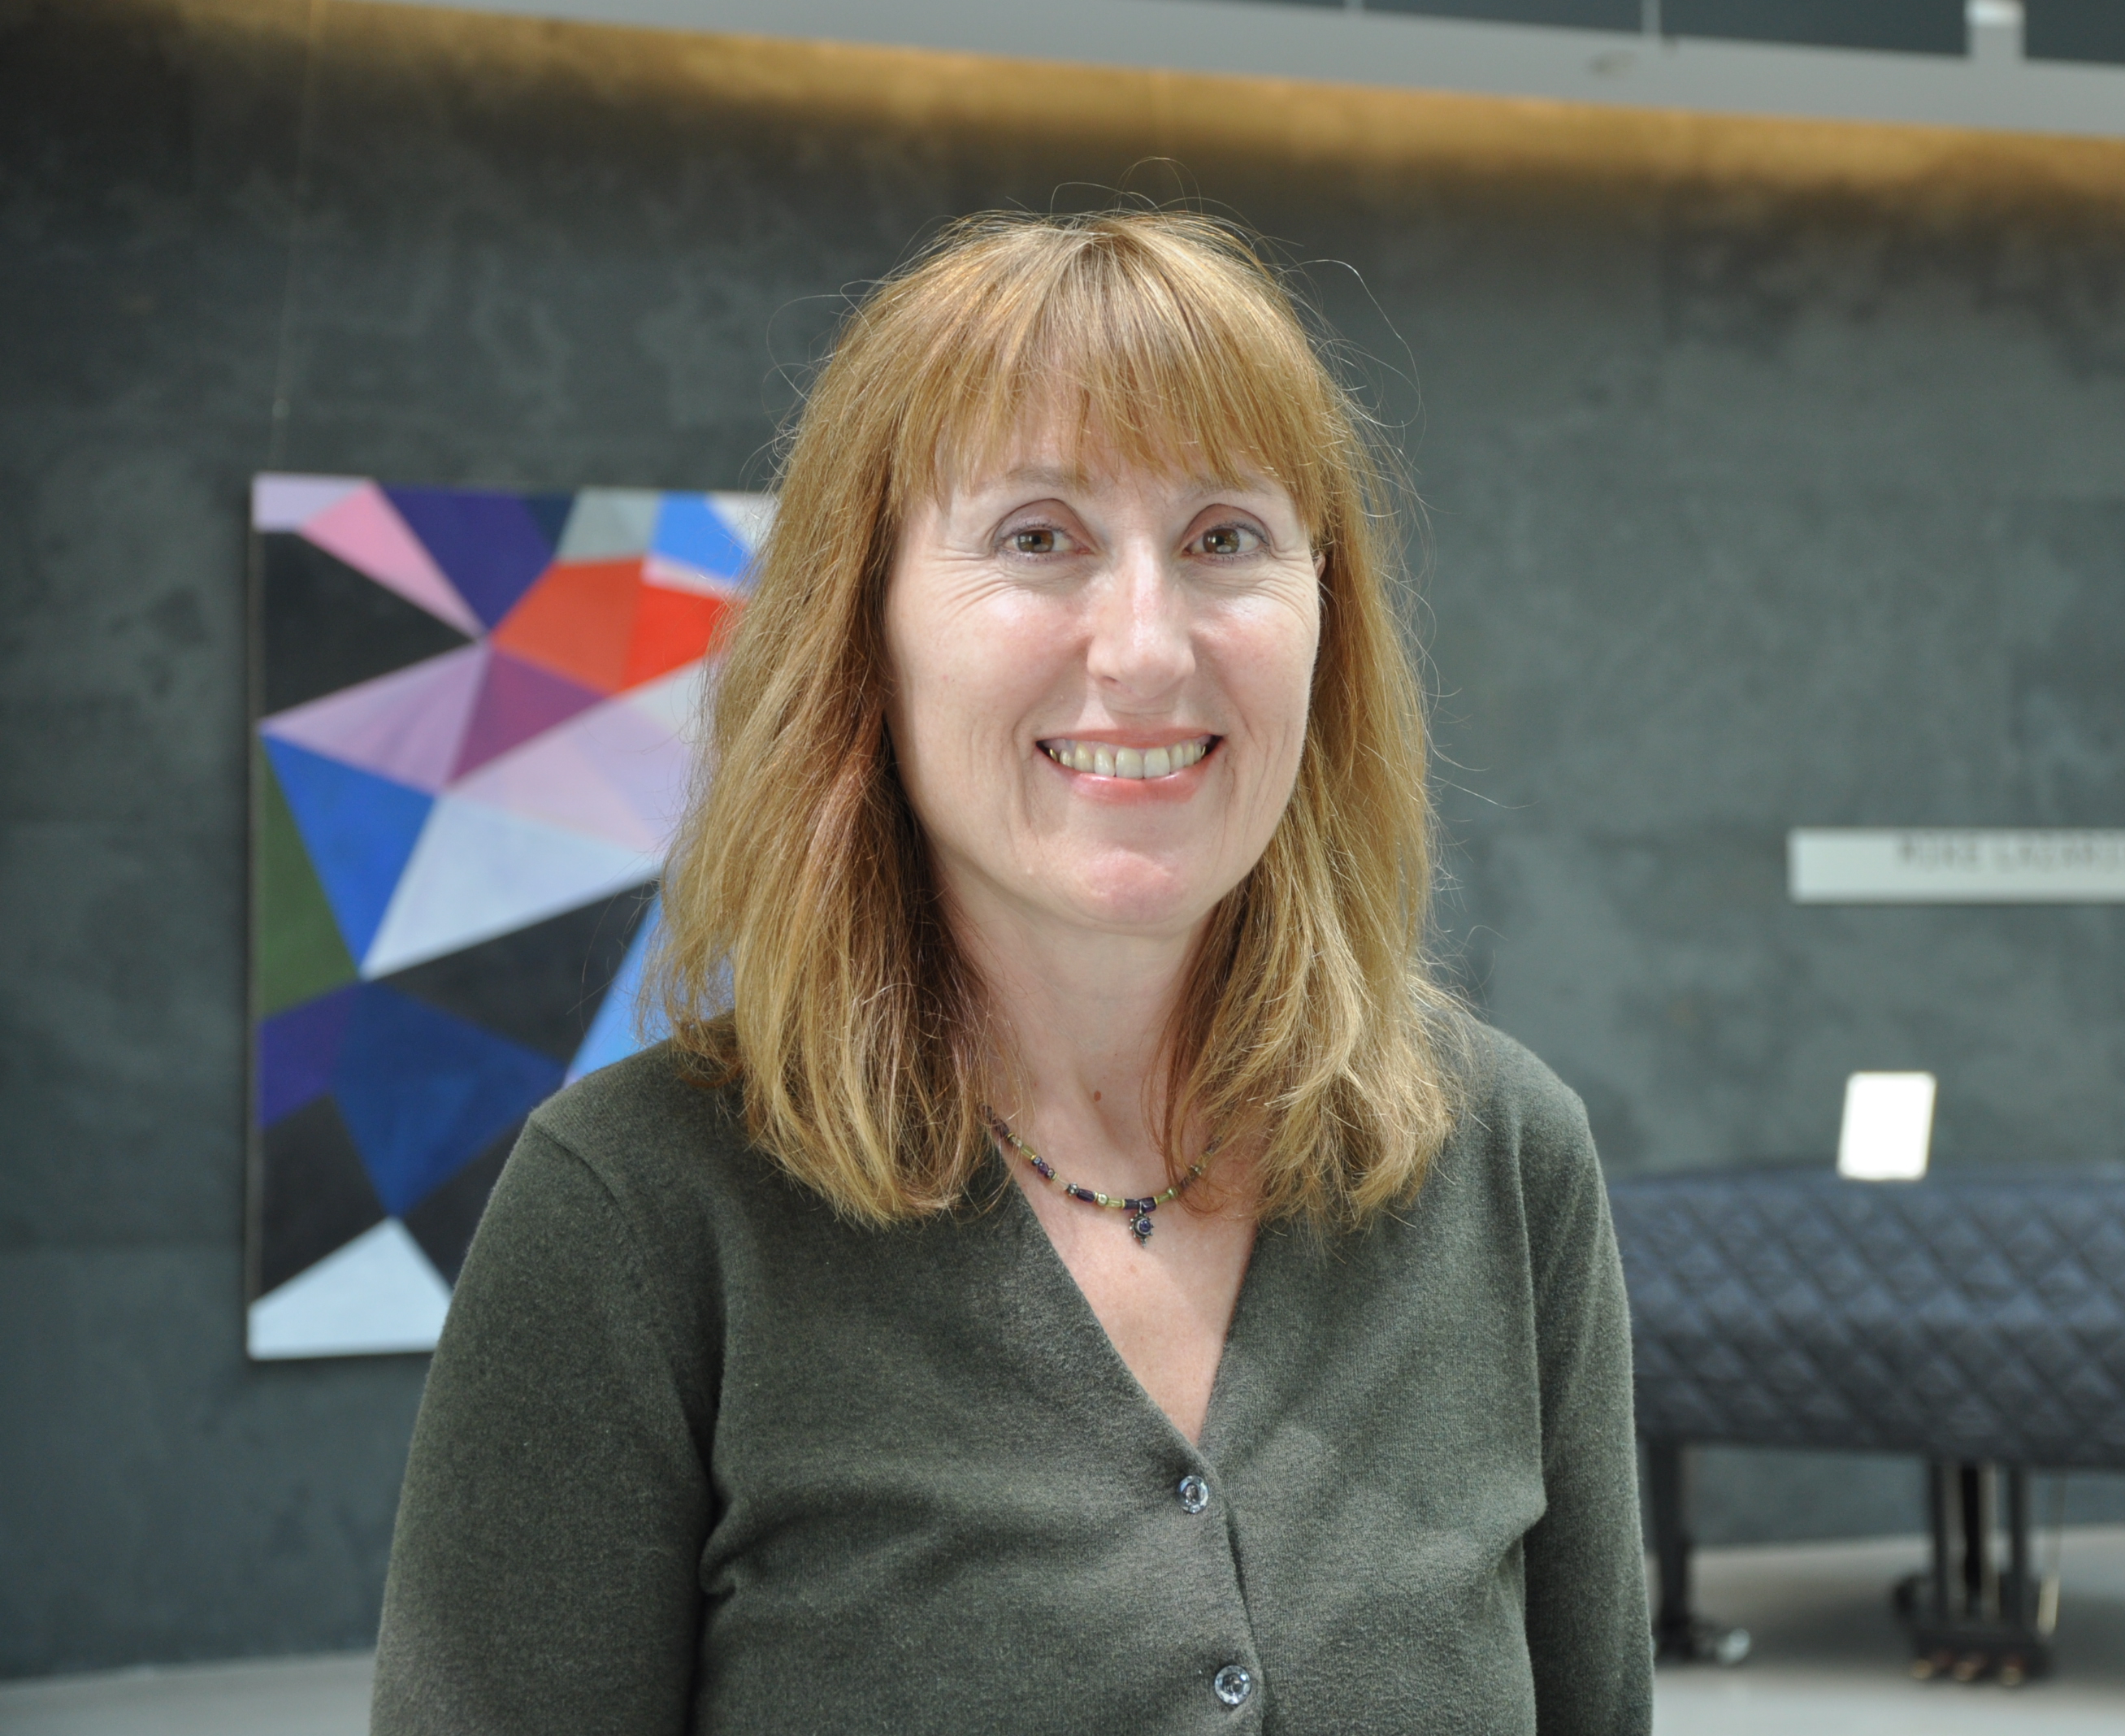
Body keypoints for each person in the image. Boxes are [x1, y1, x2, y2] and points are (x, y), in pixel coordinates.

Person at [370, 208, 1651, 1734]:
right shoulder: (638, 1214)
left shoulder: (1505, 1162)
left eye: (1225, 539)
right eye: (1039, 539)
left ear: (1328, 619)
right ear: (869, 630)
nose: (1144, 648)